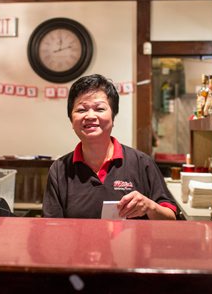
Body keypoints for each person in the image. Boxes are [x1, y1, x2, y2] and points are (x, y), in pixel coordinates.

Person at [42, 74, 177, 220]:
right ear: (71, 120)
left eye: (99, 109)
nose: (90, 116)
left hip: (132, 243)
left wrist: (150, 207)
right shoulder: (59, 169)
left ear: (113, 117)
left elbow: (172, 218)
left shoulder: (142, 163)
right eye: (81, 110)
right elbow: (51, 227)